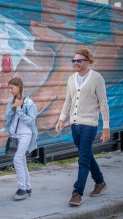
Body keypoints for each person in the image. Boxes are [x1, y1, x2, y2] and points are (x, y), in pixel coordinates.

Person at [55, 48, 110, 206]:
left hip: (89, 125)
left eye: (79, 60)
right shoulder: (72, 79)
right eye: (74, 61)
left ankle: (77, 192)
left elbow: (103, 104)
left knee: (83, 159)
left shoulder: (96, 78)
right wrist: (61, 119)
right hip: (74, 125)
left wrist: (106, 127)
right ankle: (100, 181)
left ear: (88, 62)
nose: (76, 63)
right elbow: (68, 101)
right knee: (85, 155)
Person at [4, 77, 38, 201]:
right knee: (21, 160)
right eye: (9, 88)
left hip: (26, 134)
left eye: (12, 88)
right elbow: (7, 118)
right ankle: (28, 187)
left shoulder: (29, 103)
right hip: (15, 135)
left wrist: (19, 110)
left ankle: (21, 188)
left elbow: (31, 121)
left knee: (17, 159)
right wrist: (13, 108)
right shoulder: (11, 101)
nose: (10, 91)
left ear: (19, 86)